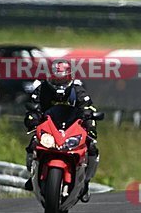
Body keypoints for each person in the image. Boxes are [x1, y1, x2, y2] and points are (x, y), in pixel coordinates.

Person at [24, 59, 99, 202]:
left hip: (71, 128)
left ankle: (86, 181)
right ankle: (32, 174)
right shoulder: (41, 89)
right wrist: (32, 119)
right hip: (49, 129)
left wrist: (90, 125)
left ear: (70, 78)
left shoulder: (78, 90)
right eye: (55, 80)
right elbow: (33, 107)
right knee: (33, 144)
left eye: (62, 80)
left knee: (92, 147)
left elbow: (88, 108)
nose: (59, 84)